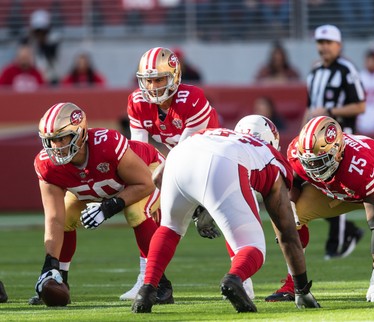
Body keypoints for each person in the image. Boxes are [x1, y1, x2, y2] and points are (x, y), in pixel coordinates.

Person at [131, 126, 321, 313]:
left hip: (178, 156)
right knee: (253, 247)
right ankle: (234, 279)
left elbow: (158, 176)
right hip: (223, 163)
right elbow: (287, 232)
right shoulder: (272, 157)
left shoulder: (217, 133)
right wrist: (301, 289)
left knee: (170, 228)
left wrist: (196, 205)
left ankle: (147, 288)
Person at [270, 116, 374, 302]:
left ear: (338, 151)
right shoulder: (298, 151)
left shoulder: (361, 166)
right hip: (337, 188)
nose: (314, 168)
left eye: (321, 161)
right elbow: (295, 182)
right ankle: (294, 281)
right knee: (290, 217)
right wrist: (290, 204)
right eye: (310, 162)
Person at [29, 102, 173, 306]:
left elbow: (145, 184)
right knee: (67, 215)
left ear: (79, 134)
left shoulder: (107, 144)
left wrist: (108, 207)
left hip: (146, 174)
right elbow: (54, 218)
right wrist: (48, 264)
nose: (56, 147)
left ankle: (159, 284)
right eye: (51, 141)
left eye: (62, 139)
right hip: (97, 188)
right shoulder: (46, 165)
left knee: (135, 211)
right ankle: (59, 278)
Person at [123, 46, 223, 300]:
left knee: (228, 218)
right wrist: (140, 184)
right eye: (148, 80)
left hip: (213, 162)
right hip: (179, 159)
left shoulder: (192, 98)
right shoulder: (137, 102)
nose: (153, 86)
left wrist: (158, 183)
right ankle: (148, 278)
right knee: (141, 206)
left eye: (159, 79)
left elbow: (186, 151)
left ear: (175, 76)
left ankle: (243, 281)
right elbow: (140, 151)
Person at [302, 24, 365, 262]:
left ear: (338, 45)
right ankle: (348, 231)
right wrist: (302, 134)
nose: (323, 47)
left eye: (328, 42)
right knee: (312, 187)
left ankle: (336, 243)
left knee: (336, 188)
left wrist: (330, 110)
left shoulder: (347, 69)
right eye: (320, 42)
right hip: (313, 143)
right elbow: (309, 108)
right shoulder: (315, 72)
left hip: (341, 138)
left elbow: (360, 105)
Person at [21, 9, 61, 85]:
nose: (40, 34)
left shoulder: (54, 41)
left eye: (43, 31)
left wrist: (44, 44)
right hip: (33, 80)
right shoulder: (29, 42)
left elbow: (54, 60)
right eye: (37, 31)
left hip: (51, 79)